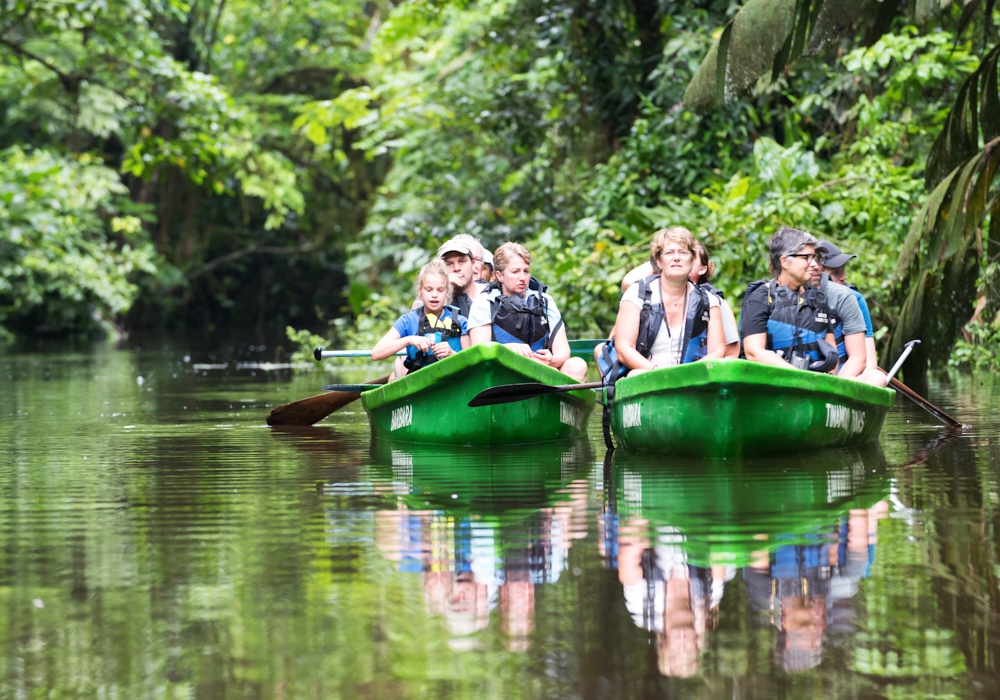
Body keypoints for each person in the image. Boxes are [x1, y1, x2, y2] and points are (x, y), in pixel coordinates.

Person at [600, 227, 725, 380]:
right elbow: (624, 350)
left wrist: (686, 375)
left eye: (683, 252)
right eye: (669, 253)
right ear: (659, 261)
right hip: (647, 374)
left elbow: (717, 351)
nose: (677, 258)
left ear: (693, 261)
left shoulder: (708, 300)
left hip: (691, 377)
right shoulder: (637, 294)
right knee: (636, 375)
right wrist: (661, 374)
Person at [467, 242, 588, 381]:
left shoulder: (545, 301)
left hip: (545, 369)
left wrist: (552, 360)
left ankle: (555, 400)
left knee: (577, 365)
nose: (523, 278)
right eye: (515, 272)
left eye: (526, 271)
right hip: (502, 372)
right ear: (499, 275)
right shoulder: (485, 302)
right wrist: (508, 348)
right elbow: (480, 351)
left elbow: (563, 351)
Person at [740, 227, 850, 373]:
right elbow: (754, 352)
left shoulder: (818, 299)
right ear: (785, 262)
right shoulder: (760, 298)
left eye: (814, 258)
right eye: (806, 258)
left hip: (813, 387)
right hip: (770, 386)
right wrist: (799, 377)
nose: (815, 265)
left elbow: (832, 356)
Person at [372, 258, 469, 381]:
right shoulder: (408, 320)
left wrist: (452, 354)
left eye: (440, 290)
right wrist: (409, 340)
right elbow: (376, 353)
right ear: (420, 291)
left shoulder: (461, 321)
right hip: (419, 385)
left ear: (447, 291)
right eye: (429, 290)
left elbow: (472, 362)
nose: (434, 295)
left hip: (453, 383)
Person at [815, 240, 888, 388]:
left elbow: (870, 363)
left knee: (876, 377)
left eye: (843, 270)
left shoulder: (854, 298)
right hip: (813, 373)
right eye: (836, 272)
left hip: (846, 377)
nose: (844, 277)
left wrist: (837, 386)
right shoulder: (796, 293)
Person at [692, 242, 740, 359]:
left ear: (702, 269)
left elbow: (732, 351)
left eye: (691, 257)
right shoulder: (653, 291)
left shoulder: (712, 298)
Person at [432, 237, 487, 318]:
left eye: (462, 261)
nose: (457, 268)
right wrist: (442, 284)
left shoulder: (492, 294)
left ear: (472, 264)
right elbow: (415, 324)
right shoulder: (436, 300)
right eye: (449, 264)